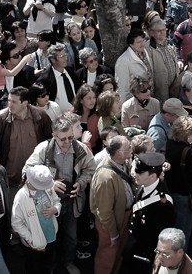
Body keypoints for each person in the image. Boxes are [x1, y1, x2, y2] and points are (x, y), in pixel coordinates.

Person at [24, 115, 97, 274]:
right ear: (54, 136)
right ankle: (51, 266)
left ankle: (68, 262)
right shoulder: (43, 149)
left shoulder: (80, 149)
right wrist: (50, 184)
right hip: (48, 202)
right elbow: (27, 171)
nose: (67, 142)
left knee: (71, 236)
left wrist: (82, 182)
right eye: (63, 139)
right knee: (51, 236)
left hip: (71, 201)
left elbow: (91, 170)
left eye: (70, 137)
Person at [0, 86, 54, 188]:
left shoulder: (41, 116)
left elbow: (51, 141)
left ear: (25, 103)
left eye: (14, 102)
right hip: (10, 180)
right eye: (9, 101)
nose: (9, 105)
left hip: (37, 178)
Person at [90, 135, 135, 274]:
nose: (131, 149)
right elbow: (104, 212)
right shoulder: (105, 177)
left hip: (122, 217)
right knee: (108, 255)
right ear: (120, 154)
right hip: (111, 223)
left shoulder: (122, 163)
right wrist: (113, 233)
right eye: (128, 148)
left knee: (117, 253)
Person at [128, 153, 176, 272]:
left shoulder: (162, 204)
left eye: (140, 173)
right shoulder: (143, 187)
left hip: (147, 256)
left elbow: (162, 237)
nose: (135, 174)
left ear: (153, 176)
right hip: (136, 249)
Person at [11, 164, 61, 273]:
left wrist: (55, 209)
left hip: (51, 236)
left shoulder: (48, 188)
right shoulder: (21, 197)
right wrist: (33, 241)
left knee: (48, 265)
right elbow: (16, 223)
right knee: (34, 268)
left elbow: (57, 201)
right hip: (33, 246)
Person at [115, 30, 152, 103]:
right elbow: (122, 88)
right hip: (134, 102)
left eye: (143, 40)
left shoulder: (146, 52)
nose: (142, 44)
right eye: (138, 42)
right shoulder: (123, 61)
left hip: (148, 97)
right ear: (131, 45)